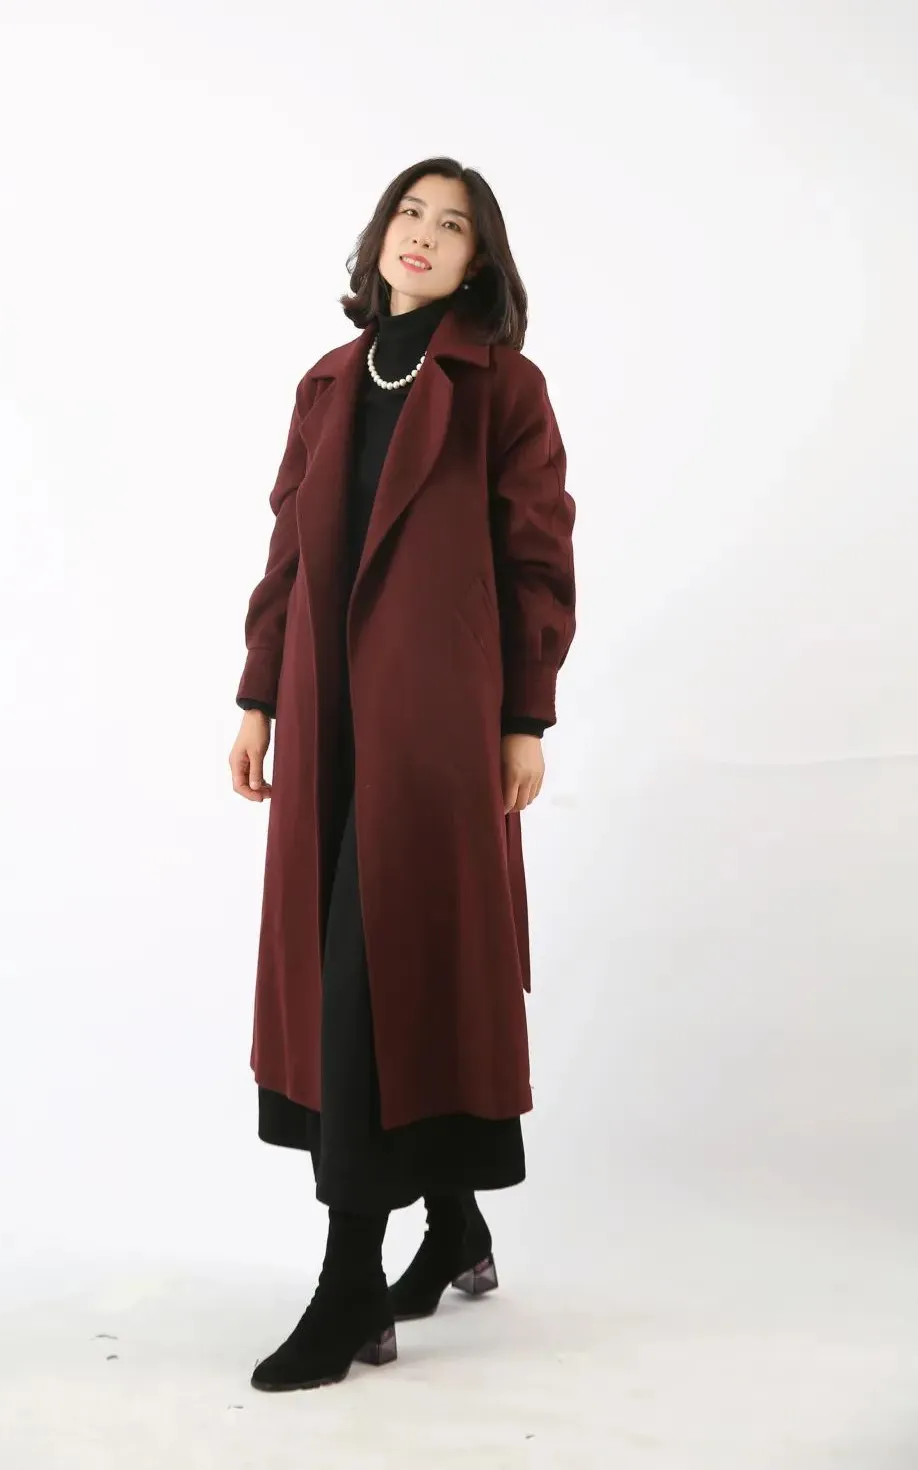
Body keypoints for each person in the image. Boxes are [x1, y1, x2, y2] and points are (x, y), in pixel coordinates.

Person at [228, 155, 577, 1392]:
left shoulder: (502, 386)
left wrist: (524, 714)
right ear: (379, 236)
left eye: (454, 224)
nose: (423, 235)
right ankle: (458, 1228)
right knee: (366, 977)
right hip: (327, 714)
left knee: (382, 974)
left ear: (482, 260)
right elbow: (288, 547)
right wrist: (259, 694)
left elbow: (539, 555)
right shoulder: (329, 381)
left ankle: (350, 1292)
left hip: (438, 723)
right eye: (409, 214)